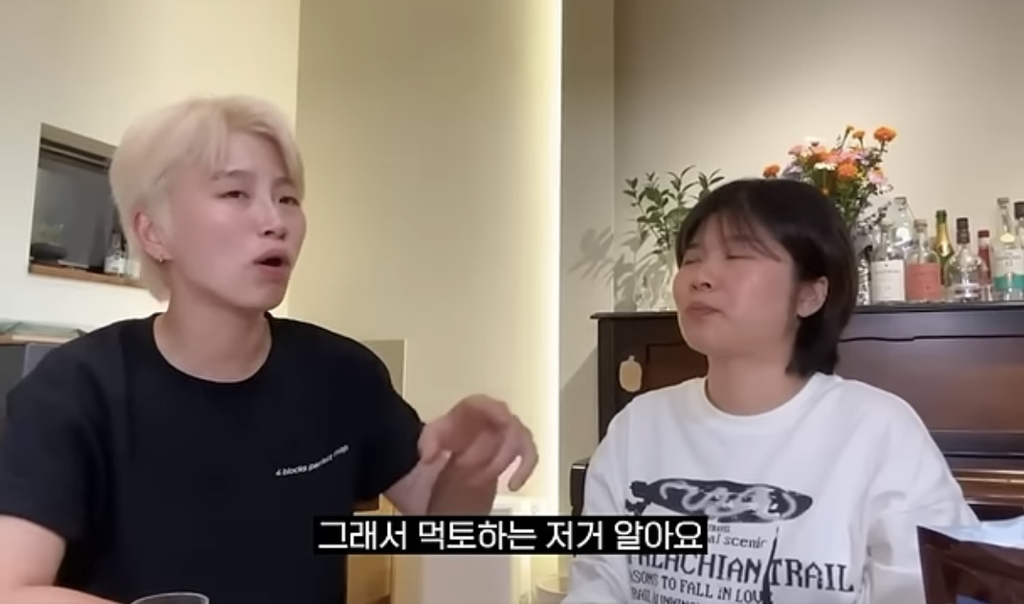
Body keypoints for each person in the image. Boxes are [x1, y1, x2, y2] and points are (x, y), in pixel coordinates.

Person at [0, 95, 537, 604]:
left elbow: (443, 527)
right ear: (154, 233)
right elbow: (12, 588)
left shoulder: (340, 376)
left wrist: (473, 462)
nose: (275, 221)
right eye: (235, 194)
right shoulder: (75, 391)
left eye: (287, 198)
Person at [563, 178, 978, 604]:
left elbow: (930, 590)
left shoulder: (879, 431)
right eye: (692, 259)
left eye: (736, 256)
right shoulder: (638, 426)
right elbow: (599, 582)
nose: (700, 277)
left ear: (809, 294)